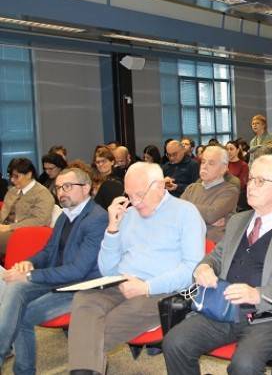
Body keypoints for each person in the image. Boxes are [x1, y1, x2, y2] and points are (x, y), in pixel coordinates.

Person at [162, 155, 272, 375]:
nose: (250, 186)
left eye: (260, 181)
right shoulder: (238, 220)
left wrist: (258, 295)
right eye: (251, 179)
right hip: (223, 309)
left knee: (244, 365)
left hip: (268, 317)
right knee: (174, 343)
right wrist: (203, 267)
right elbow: (216, 257)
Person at [67, 162, 205, 374]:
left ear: (160, 186)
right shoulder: (128, 215)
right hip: (121, 285)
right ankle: (86, 366)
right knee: (84, 299)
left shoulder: (186, 213)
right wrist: (112, 229)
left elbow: (192, 270)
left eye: (140, 194)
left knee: (89, 334)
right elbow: (107, 270)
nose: (135, 202)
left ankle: (83, 368)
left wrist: (146, 287)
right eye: (129, 195)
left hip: (161, 291)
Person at [0, 167, 108, 374]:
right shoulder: (65, 215)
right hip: (58, 279)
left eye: (67, 186)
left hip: (81, 288)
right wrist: (28, 263)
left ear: (86, 188)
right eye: (58, 188)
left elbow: (77, 271)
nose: (61, 192)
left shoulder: (96, 218)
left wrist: (30, 275)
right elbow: (48, 251)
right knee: (14, 287)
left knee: (21, 312)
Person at [181, 146, 240, 242]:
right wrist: (204, 219)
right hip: (187, 241)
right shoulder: (191, 188)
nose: (204, 166)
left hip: (212, 247)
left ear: (223, 169)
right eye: (203, 162)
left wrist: (187, 211)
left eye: (211, 163)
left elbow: (211, 215)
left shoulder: (230, 190)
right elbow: (177, 212)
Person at [0, 158, 55, 255]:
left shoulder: (42, 193)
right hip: (5, 230)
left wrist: (9, 227)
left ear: (29, 174)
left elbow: (40, 220)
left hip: (24, 234)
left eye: (16, 176)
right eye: (11, 176)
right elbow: (3, 214)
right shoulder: (12, 191)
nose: (12, 180)